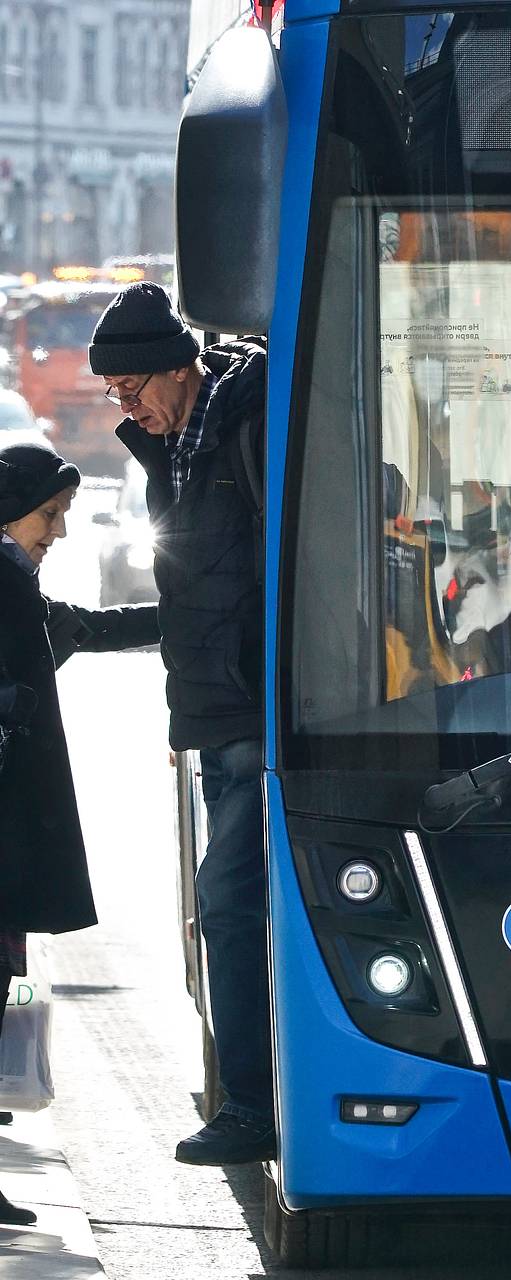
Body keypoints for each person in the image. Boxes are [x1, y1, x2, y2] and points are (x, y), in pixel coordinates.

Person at [88, 283, 273, 1166]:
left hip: (262, 716)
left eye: (132, 391)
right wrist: (95, 634)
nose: (127, 410)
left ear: (176, 368)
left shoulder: (250, 421)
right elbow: (195, 591)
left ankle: (253, 1107)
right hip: (216, 715)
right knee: (231, 911)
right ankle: (255, 1093)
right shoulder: (179, 443)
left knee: (231, 906)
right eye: (116, 399)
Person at [0, 442, 160, 1225]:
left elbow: (82, 629)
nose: (59, 531)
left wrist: (180, 618)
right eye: (49, 515)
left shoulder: (13, 584)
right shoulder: (1, 581)